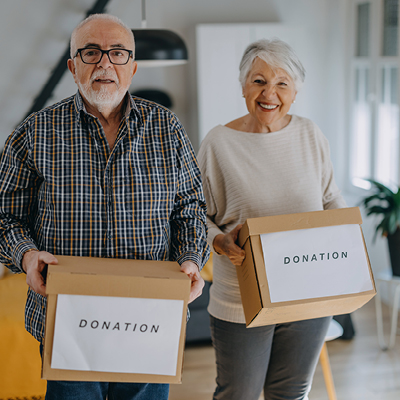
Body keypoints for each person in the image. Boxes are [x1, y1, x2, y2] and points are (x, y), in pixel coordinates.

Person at [0, 13, 209, 400]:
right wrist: (27, 258)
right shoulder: (34, 132)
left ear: (132, 66)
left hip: (150, 315)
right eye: (91, 52)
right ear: (72, 65)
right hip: (65, 316)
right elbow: (5, 217)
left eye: (117, 53)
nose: (104, 64)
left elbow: (191, 208)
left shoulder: (167, 128)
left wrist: (192, 260)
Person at [197, 38, 347, 400]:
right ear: (243, 86)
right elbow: (192, 216)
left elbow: (330, 198)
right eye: (259, 80)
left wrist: (347, 237)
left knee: (292, 393)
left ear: (296, 90)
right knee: (239, 395)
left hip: (309, 294)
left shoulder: (310, 134)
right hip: (243, 300)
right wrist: (218, 240)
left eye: (282, 82)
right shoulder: (219, 143)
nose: (270, 93)